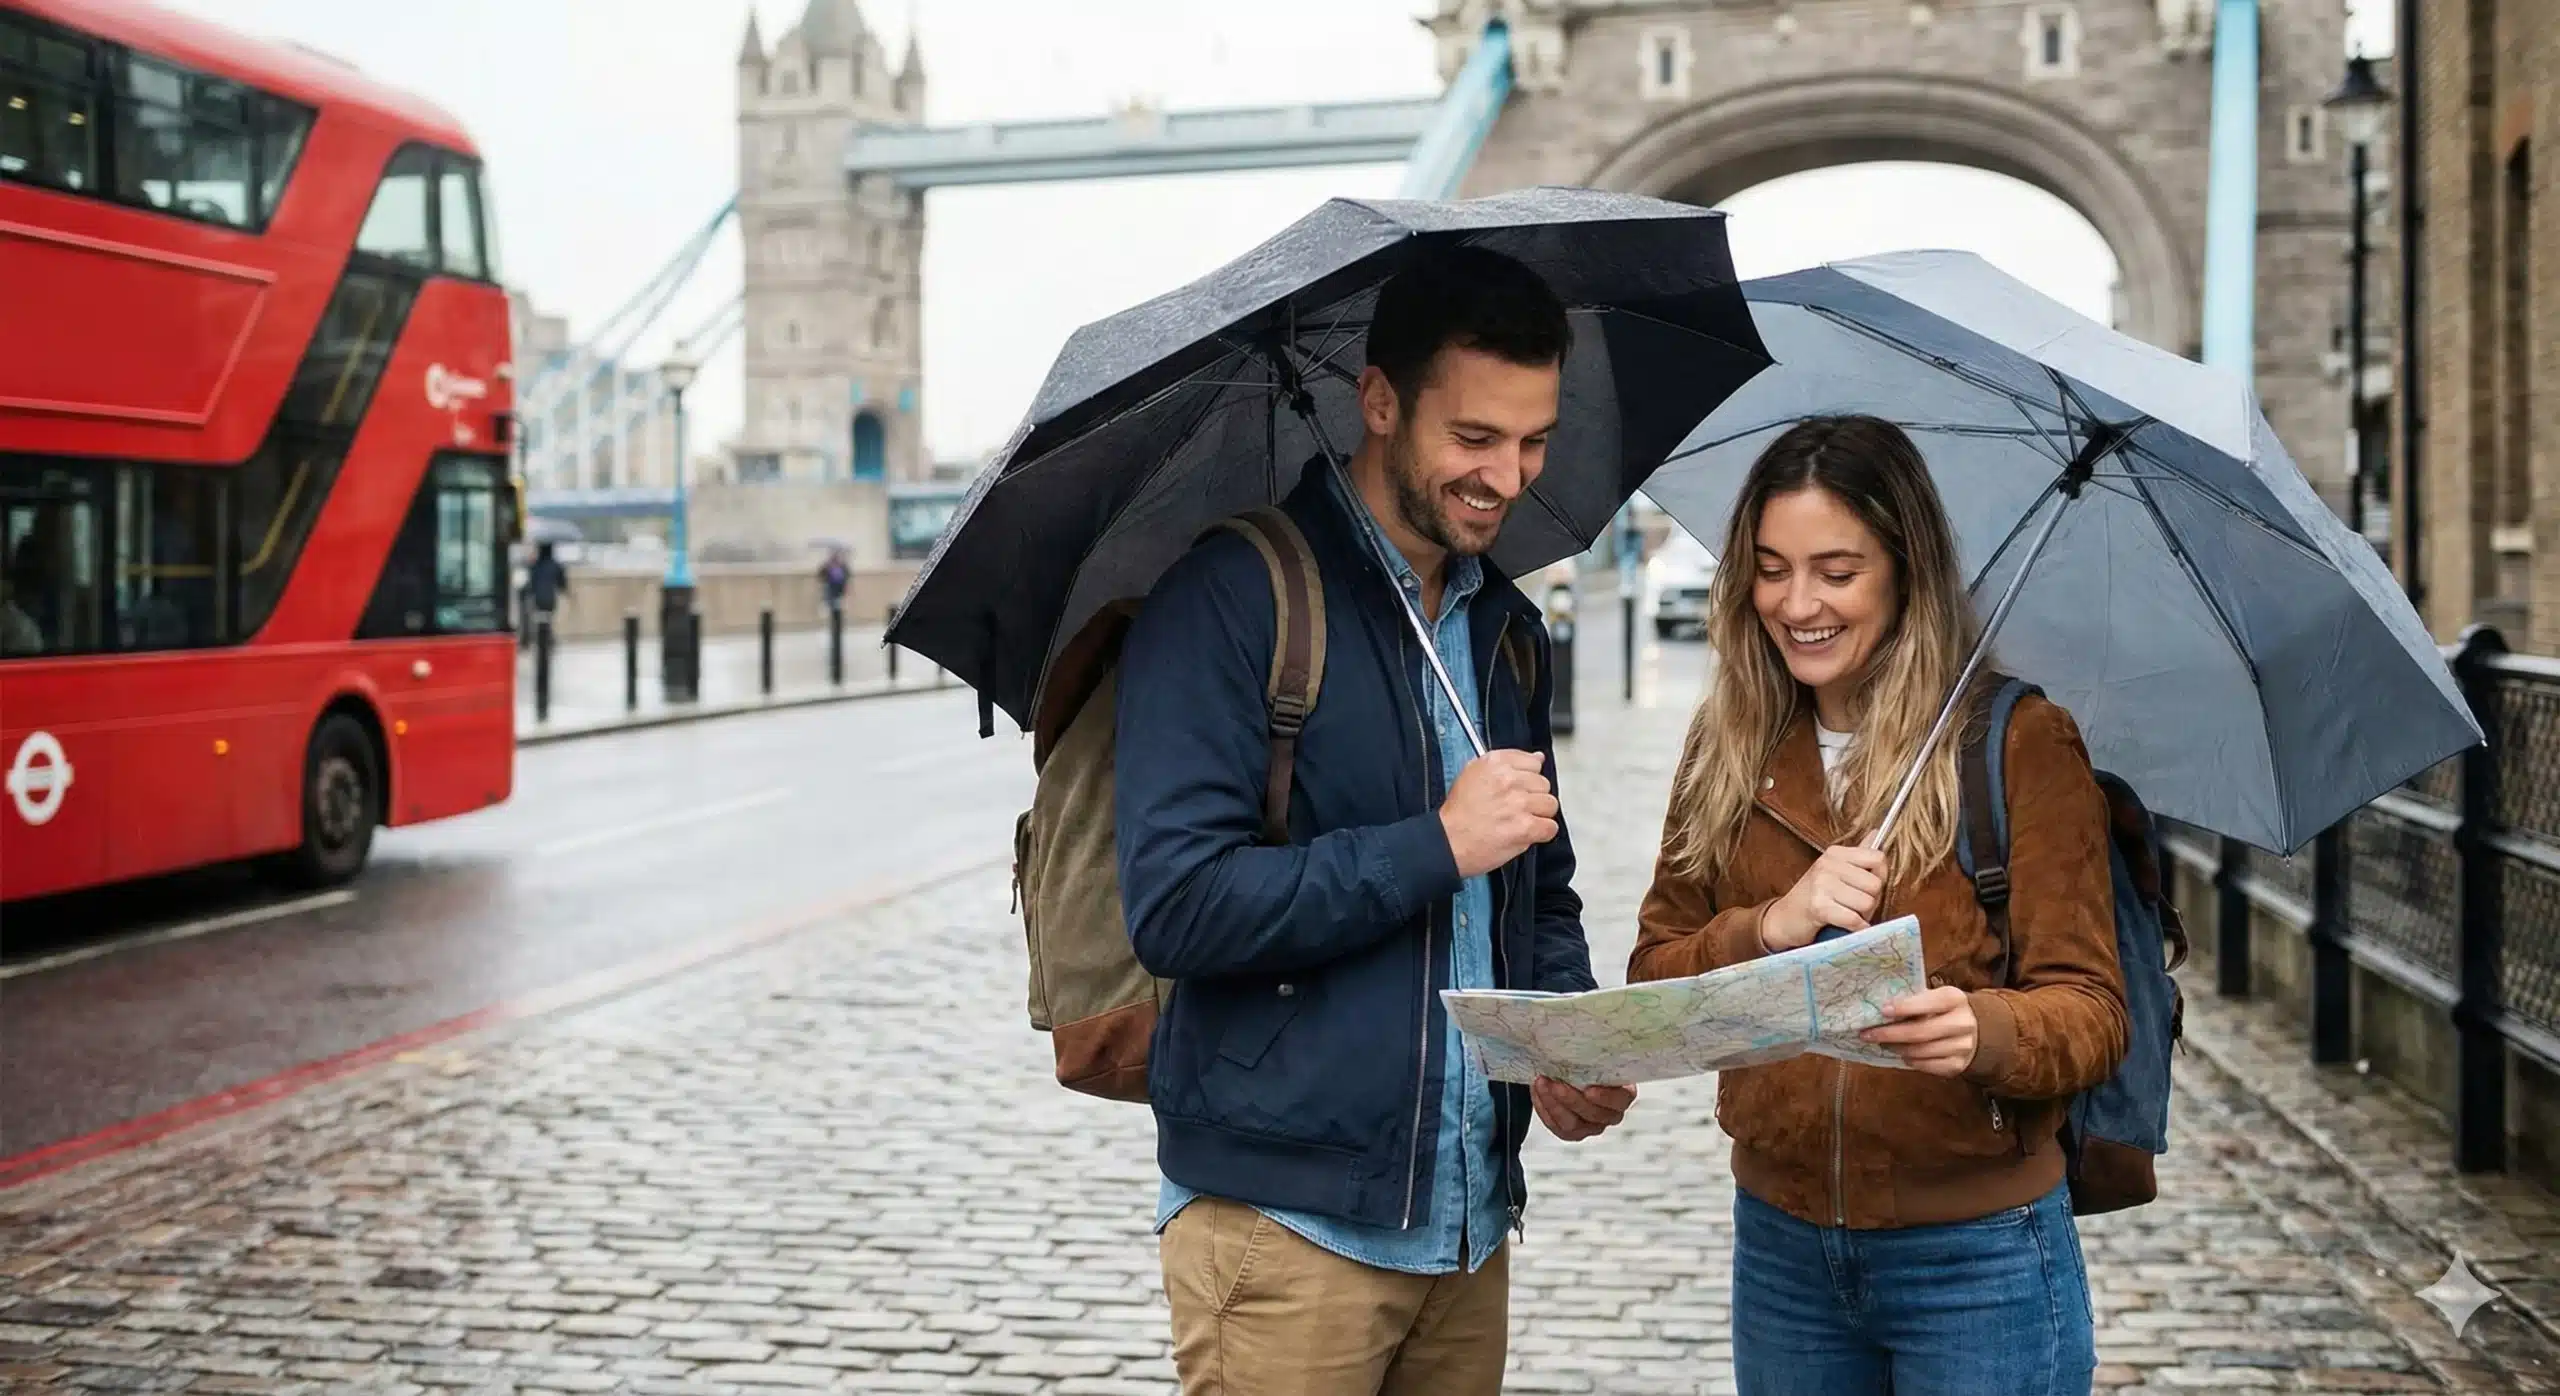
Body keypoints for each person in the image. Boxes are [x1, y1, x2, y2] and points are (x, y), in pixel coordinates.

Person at [1114, 245, 1635, 1396]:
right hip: (1288, 1230)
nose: (1506, 474)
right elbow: (1177, 906)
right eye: (1473, 438)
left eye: (1532, 439)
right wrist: (1432, 845)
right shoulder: (1234, 596)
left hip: (1465, 1220)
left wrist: (1561, 1036)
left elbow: (1536, 891)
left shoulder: (1503, 631)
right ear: (1381, 402)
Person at [1627, 414, 2127, 1396]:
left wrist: (1980, 1029)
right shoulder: (1728, 748)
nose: (1796, 603)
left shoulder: (2017, 742)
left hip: (1977, 1260)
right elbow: (1654, 987)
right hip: (1781, 1247)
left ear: (1905, 571)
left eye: (1836, 570)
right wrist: (1768, 926)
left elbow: (2092, 1008)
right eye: (1770, 568)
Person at [524, 541, 569, 642]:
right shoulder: (555, 565)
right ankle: (549, 639)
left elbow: (530, 584)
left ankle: (540, 640)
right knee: (548, 620)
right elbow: (562, 584)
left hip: (537, 600)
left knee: (539, 620)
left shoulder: (535, 565)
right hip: (550, 600)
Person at [818, 547, 850, 614]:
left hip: (839, 588)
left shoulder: (842, 565)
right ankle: (834, 619)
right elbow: (821, 574)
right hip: (831, 587)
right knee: (833, 606)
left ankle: (838, 621)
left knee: (838, 606)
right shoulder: (827, 565)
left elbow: (847, 575)